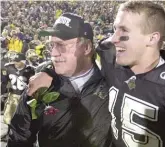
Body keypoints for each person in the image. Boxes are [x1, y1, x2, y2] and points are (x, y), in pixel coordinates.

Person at [22, 1, 165, 147]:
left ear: (152, 38)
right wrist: (49, 72)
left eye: (123, 31)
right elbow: (74, 60)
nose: (113, 38)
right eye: (114, 29)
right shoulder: (109, 56)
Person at [7, 13, 111, 147]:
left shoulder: (111, 77)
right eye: (52, 45)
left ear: (86, 47)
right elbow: (19, 136)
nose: (53, 53)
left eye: (61, 45)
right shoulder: (40, 85)